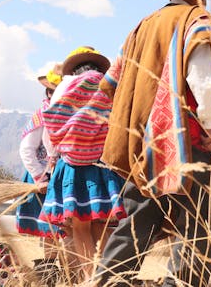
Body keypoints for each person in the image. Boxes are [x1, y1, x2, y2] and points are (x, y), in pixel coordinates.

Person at [95, 0, 211, 287]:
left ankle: (107, 280)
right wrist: (210, 128)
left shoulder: (143, 25)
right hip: (188, 142)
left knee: (137, 219)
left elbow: (112, 82)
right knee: (196, 226)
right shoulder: (199, 20)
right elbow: (203, 80)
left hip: (145, 143)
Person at [39, 46, 127, 282]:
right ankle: (110, 276)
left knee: (80, 228)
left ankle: (90, 279)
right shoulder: (109, 87)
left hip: (71, 166)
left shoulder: (64, 88)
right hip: (102, 165)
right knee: (103, 224)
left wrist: (58, 154)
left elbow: (51, 129)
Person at [16, 64, 66, 286]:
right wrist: (39, 177)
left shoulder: (63, 115)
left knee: (62, 230)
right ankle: (48, 274)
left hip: (58, 178)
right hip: (43, 181)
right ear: (49, 93)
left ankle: (58, 273)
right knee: (51, 230)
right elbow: (26, 149)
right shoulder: (41, 116)